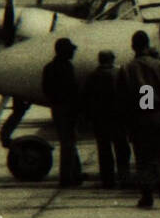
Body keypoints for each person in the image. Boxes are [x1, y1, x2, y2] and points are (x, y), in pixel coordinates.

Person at [117, 30, 160, 209]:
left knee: (143, 158)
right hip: (158, 116)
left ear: (133, 46)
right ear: (148, 45)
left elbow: (124, 98)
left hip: (140, 118)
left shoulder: (127, 68)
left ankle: (147, 195)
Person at [83, 50, 130, 189]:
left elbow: (86, 98)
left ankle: (108, 180)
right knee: (122, 149)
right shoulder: (119, 74)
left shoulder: (92, 76)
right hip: (118, 118)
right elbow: (127, 94)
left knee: (104, 151)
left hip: (100, 119)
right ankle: (124, 178)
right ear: (111, 59)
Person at [41, 37, 83, 187]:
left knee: (69, 142)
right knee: (68, 143)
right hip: (67, 109)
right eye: (70, 50)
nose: (73, 52)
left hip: (58, 108)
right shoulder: (66, 67)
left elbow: (46, 89)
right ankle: (67, 177)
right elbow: (72, 89)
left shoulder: (49, 67)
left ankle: (75, 173)